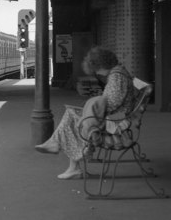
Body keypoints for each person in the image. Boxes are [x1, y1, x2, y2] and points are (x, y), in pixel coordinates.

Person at [34, 46, 137, 179]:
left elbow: (112, 104)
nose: (97, 73)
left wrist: (91, 108)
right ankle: (64, 155)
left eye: (97, 69)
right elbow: (111, 102)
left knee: (74, 118)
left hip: (116, 121)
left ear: (102, 64)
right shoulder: (117, 73)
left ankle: (65, 156)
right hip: (115, 116)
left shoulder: (117, 77)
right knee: (72, 114)